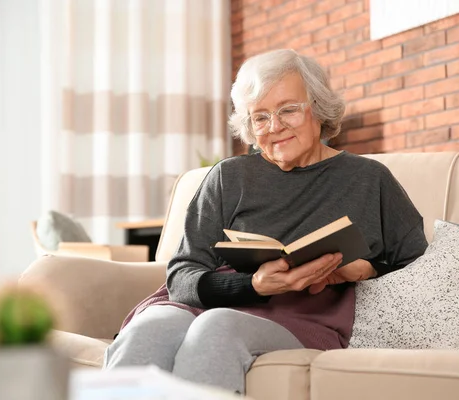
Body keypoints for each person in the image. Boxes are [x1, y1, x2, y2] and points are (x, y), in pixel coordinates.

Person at [103, 49, 428, 394]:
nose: (274, 127)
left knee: (218, 328)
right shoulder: (228, 177)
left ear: (317, 107)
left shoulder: (369, 179)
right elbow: (182, 275)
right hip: (206, 302)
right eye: (260, 117)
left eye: (288, 109)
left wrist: (365, 269)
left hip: (303, 315)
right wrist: (252, 286)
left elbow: (421, 266)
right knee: (148, 329)